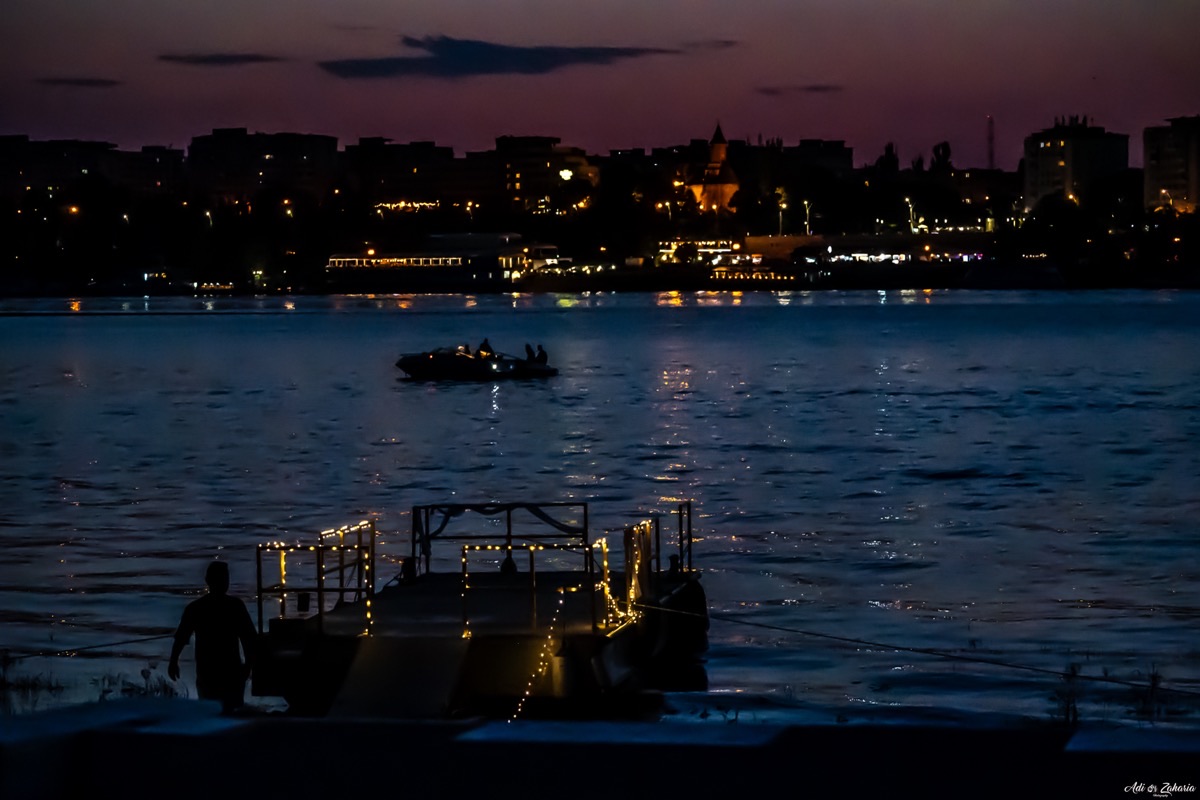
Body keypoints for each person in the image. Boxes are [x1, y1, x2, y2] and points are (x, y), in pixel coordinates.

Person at [168, 560, 257, 713]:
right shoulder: (234, 606)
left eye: (226, 578)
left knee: (212, 713)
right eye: (223, 578)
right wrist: (248, 666)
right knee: (229, 713)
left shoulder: (197, 608)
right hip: (221, 673)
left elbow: (181, 638)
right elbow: (249, 639)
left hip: (217, 673)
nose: (225, 581)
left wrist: (173, 661)